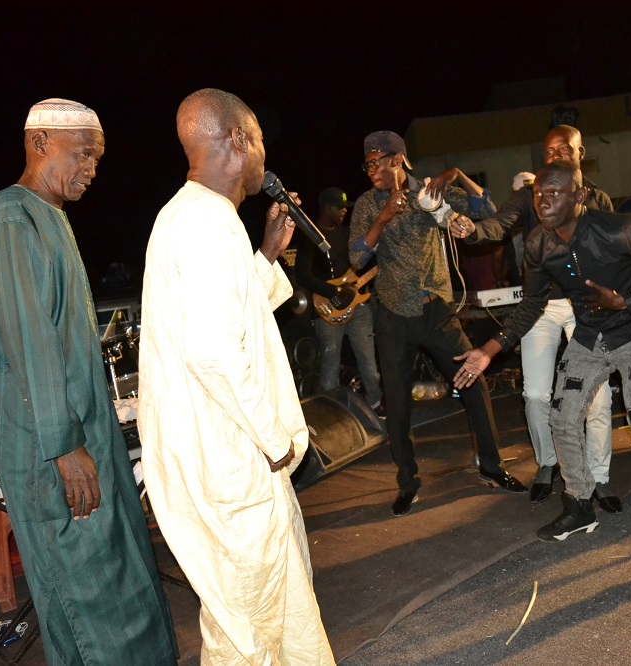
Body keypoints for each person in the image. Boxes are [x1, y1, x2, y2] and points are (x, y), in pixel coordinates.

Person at [0, 98, 177, 664]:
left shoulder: (47, 216)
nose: (91, 169)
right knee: (92, 600)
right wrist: (65, 448)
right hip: (55, 453)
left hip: (81, 442)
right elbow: (31, 342)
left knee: (116, 582)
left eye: (98, 159)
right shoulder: (11, 219)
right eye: (83, 154)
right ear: (40, 144)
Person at [454, 161, 631, 575]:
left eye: (555, 193)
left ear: (580, 197)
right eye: (539, 194)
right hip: (591, 336)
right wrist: (490, 350)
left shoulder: (621, 229)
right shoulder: (537, 245)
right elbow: (532, 305)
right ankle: (579, 504)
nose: (544, 200)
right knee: (562, 416)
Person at [137, 89, 334, 665]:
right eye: (262, 142)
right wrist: (274, 439)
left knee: (284, 597)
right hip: (227, 456)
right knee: (246, 625)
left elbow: (233, 312)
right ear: (240, 140)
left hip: (226, 449)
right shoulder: (203, 224)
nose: (263, 156)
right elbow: (214, 352)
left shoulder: (199, 216)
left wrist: (268, 255)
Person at [349, 130, 527, 517]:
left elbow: (484, 208)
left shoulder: (430, 192)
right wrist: (382, 217)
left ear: (398, 159)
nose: (370, 171)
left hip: (435, 310)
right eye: (366, 164)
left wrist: (457, 175)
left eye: (375, 162)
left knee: (473, 381)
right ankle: (407, 483)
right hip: (392, 314)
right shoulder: (366, 203)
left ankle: (492, 467)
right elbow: (358, 257)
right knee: (396, 404)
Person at [453, 125, 618, 511]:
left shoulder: (597, 199)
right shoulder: (531, 194)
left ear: (581, 152)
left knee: (597, 398)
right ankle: (547, 463)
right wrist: (474, 231)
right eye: (550, 149)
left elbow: (618, 251)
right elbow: (500, 222)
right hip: (539, 305)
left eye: (566, 148)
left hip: (586, 307)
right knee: (536, 393)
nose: (557, 153)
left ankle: (601, 475)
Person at [295, 187, 384, 414]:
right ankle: (332, 414)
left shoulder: (348, 234)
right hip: (326, 308)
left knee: (369, 363)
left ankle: (375, 404)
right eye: (340, 208)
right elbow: (302, 275)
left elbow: (361, 264)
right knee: (329, 368)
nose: (345, 211)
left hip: (358, 307)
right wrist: (333, 291)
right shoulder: (311, 236)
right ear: (327, 208)